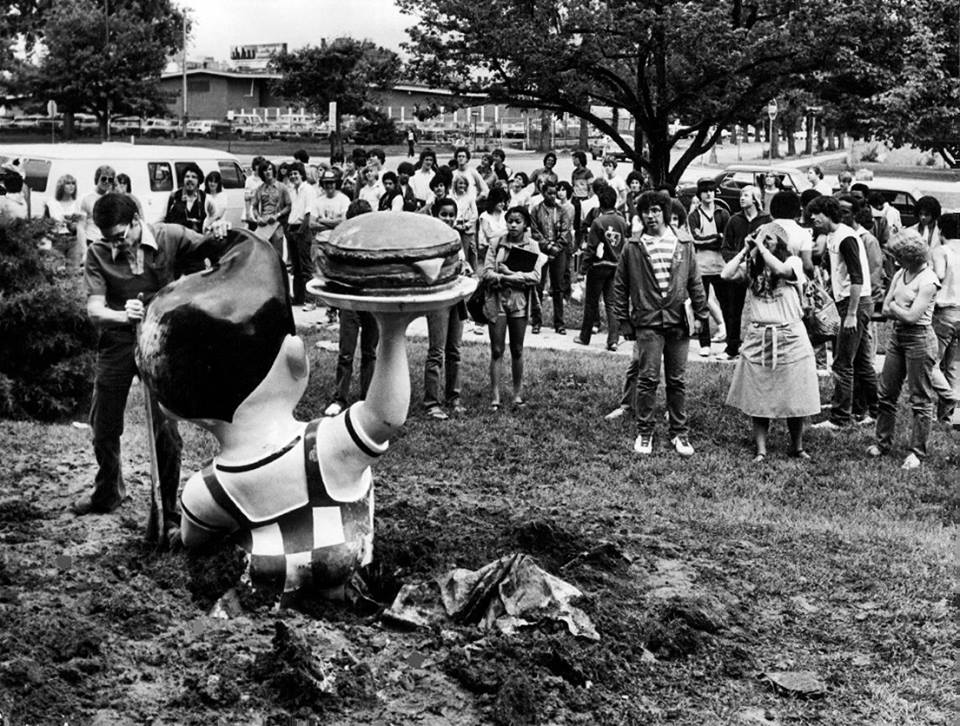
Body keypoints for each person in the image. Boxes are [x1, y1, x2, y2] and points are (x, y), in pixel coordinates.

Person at [136, 227, 421, 601]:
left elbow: (195, 541)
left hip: (269, 582)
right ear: (296, 359)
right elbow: (386, 417)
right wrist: (394, 328)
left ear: (170, 410)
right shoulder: (325, 447)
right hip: (347, 562)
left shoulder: (206, 490)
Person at [71, 193, 229, 545]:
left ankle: (169, 511)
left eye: (121, 236)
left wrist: (219, 229)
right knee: (103, 425)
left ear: (137, 220)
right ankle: (108, 491)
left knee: (166, 431)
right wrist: (121, 315)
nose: (115, 245)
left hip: (161, 341)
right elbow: (95, 311)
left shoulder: (169, 236)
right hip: (117, 343)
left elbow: (213, 247)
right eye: (108, 238)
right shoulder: (98, 253)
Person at [612, 190, 708, 456]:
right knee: (647, 379)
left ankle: (680, 433)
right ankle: (645, 433)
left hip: (678, 322)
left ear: (666, 213)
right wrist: (623, 319)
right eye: (645, 211)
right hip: (648, 322)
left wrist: (701, 315)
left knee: (677, 380)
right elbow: (619, 286)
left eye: (656, 210)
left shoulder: (684, 243)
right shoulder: (633, 246)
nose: (650, 215)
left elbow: (695, 282)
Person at [721, 219, 820, 462]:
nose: (763, 243)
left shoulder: (792, 261)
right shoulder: (753, 267)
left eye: (769, 239)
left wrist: (761, 249)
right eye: (761, 238)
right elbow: (725, 274)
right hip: (760, 336)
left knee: (794, 394)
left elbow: (781, 271)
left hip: (790, 335)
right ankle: (761, 448)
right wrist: (746, 250)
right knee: (759, 395)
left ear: (780, 243)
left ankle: (796, 446)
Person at [866, 231, 942, 470]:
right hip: (898, 337)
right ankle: (882, 442)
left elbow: (912, 316)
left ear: (911, 255)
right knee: (887, 392)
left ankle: (917, 451)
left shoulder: (928, 280)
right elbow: (887, 307)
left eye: (899, 255)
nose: (896, 259)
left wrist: (897, 308)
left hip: (919, 338)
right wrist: (899, 309)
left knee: (920, 398)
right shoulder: (901, 273)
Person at [808, 195, 878, 430]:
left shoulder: (846, 237)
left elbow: (857, 278)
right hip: (846, 302)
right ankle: (868, 409)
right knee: (861, 361)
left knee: (842, 362)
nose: (812, 218)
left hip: (855, 303)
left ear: (828, 214)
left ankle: (840, 417)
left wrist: (851, 314)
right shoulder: (831, 236)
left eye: (816, 213)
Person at [481, 206, 546, 410]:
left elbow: (535, 277)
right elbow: (487, 272)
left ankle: (517, 394)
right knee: (497, 349)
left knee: (517, 349)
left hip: (519, 302)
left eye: (518, 221)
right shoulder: (497, 242)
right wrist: (510, 277)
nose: (513, 225)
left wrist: (509, 274)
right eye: (510, 221)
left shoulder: (532, 246)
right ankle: (495, 396)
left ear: (526, 223)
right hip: (497, 299)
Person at [323, 199, 381, 417]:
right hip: (349, 301)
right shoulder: (343, 242)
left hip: (372, 301)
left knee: (370, 351)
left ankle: (367, 397)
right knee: (346, 351)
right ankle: (340, 397)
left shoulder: (377, 242)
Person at [423, 197, 469, 419]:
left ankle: (454, 396)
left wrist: (465, 267)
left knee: (455, 350)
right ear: (435, 214)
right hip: (439, 298)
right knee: (437, 351)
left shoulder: (456, 237)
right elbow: (429, 271)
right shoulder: (430, 238)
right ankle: (432, 401)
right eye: (444, 214)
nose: (448, 219)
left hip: (457, 296)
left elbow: (463, 262)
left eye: (452, 215)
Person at [717, 186, 770, 360]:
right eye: (741, 195)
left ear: (755, 199)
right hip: (738, 270)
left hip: (759, 270)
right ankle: (732, 347)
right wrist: (739, 261)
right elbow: (725, 248)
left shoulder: (766, 220)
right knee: (733, 309)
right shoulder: (734, 220)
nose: (742, 198)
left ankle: (763, 347)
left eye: (746, 195)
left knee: (763, 308)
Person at [575, 186, 628, 351]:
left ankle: (585, 337)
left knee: (591, 303)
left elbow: (591, 248)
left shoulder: (598, 222)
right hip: (616, 266)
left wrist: (582, 270)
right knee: (611, 303)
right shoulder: (621, 221)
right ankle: (613, 340)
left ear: (600, 202)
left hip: (598, 267)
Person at [687, 177, 731, 355]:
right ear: (700, 194)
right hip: (702, 267)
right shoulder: (694, 215)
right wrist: (717, 238)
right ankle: (704, 343)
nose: (709, 194)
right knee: (701, 304)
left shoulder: (722, 213)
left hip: (721, 266)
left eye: (712, 191)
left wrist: (718, 239)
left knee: (727, 304)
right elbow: (696, 239)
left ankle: (730, 340)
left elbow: (727, 240)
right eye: (705, 191)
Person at [529, 180, 573, 335]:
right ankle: (536, 321)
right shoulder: (536, 210)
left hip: (558, 253)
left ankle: (559, 323)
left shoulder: (562, 211)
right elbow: (534, 232)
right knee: (538, 286)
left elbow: (566, 232)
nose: (553, 196)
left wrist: (556, 248)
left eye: (555, 193)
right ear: (542, 193)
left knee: (558, 288)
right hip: (541, 252)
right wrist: (547, 246)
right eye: (549, 193)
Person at [932, 212, 960, 423]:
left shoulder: (942, 251)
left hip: (945, 311)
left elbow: (939, 275)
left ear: (941, 230)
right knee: (950, 365)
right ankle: (946, 416)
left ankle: (951, 399)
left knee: (931, 362)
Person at [286, 162, 316, 307]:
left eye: (295, 174)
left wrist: (300, 231)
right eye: (291, 174)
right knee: (295, 267)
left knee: (306, 266)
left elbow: (308, 213)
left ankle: (310, 300)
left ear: (301, 174)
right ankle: (298, 298)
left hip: (302, 230)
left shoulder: (308, 190)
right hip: (292, 228)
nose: (293, 177)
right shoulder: (292, 191)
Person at [250, 160, 292, 258]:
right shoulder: (259, 189)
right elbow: (254, 207)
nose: (268, 172)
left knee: (277, 253)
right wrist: (257, 217)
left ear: (273, 171)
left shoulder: (282, 187)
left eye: (269, 169)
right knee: (262, 253)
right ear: (261, 173)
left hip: (276, 224)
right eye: (265, 170)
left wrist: (278, 215)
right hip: (263, 223)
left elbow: (289, 205)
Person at [44, 174, 83, 268]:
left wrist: (74, 224)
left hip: (74, 240)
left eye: (73, 183)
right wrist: (51, 229)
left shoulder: (79, 203)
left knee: (73, 273)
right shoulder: (51, 204)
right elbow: (45, 223)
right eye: (68, 183)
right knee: (55, 272)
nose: (71, 186)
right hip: (57, 240)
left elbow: (84, 225)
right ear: (61, 186)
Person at [77, 165, 116, 251]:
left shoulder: (113, 199)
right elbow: (80, 226)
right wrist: (84, 249)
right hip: (91, 241)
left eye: (110, 179)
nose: (106, 181)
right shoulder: (86, 198)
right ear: (97, 178)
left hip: (108, 243)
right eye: (103, 178)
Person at [164, 163, 206, 234]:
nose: (190, 179)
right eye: (187, 176)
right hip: (178, 240)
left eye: (194, 177)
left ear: (199, 180)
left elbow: (214, 217)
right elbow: (163, 218)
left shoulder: (204, 197)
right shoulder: (174, 196)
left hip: (198, 241)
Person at [243, 156, 265, 231]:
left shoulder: (265, 179)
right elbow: (246, 197)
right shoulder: (249, 180)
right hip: (253, 209)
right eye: (257, 165)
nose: (259, 167)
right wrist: (247, 212)